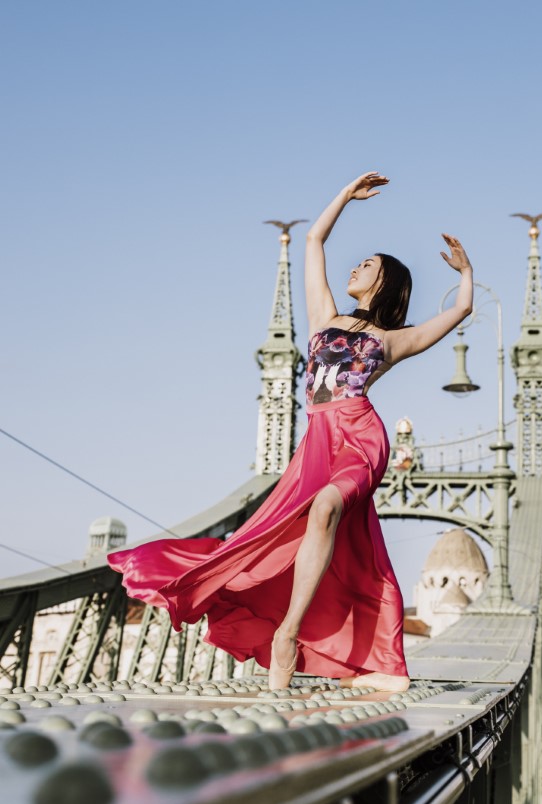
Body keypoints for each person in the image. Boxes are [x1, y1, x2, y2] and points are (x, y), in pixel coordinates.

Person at [108, 171, 473, 692]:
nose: (354, 267)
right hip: (317, 442)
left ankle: (287, 635)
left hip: (360, 438)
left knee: (325, 509)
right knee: (272, 534)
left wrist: (465, 272)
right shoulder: (324, 318)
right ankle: (324, 647)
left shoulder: (392, 341)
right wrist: (346, 195)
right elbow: (313, 239)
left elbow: (461, 309)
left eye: (366, 265)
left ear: (384, 281)